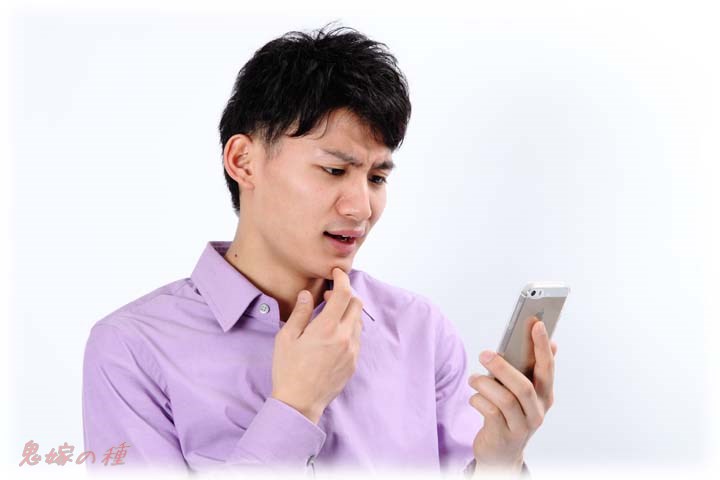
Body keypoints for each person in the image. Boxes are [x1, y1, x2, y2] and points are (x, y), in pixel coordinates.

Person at [82, 25, 558, 478]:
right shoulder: (131, 349)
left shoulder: (421, 330)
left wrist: (501, 459)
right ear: (243, 161)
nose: (361, 208)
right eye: (334, 171)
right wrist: (295, 406)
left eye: (377, 177)